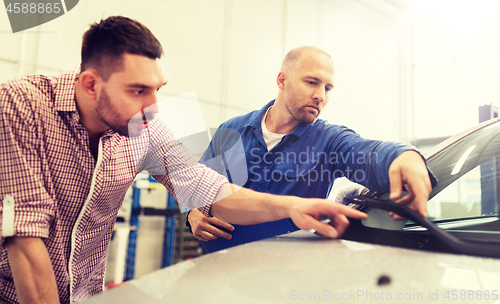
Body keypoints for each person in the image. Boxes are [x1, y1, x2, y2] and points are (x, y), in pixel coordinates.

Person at [0, 18, 369, 304]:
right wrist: (195, 216)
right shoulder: (21, 104)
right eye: (138, 91)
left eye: (158, 89)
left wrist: (293, 206)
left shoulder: (147, 127)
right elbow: (27, 238)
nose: (153, 107)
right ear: (91, 84)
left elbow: (206, 187)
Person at [187, 46, 436, 242]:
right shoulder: (231, 131)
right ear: (282, 81)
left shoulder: (329, 141)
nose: (321, 96)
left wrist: (405, 156)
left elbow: (368, 154)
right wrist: (194, 215)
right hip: (221, 270)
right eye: (312, 82)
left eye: (328, 88)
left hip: (286, 276)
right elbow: (197, 190)